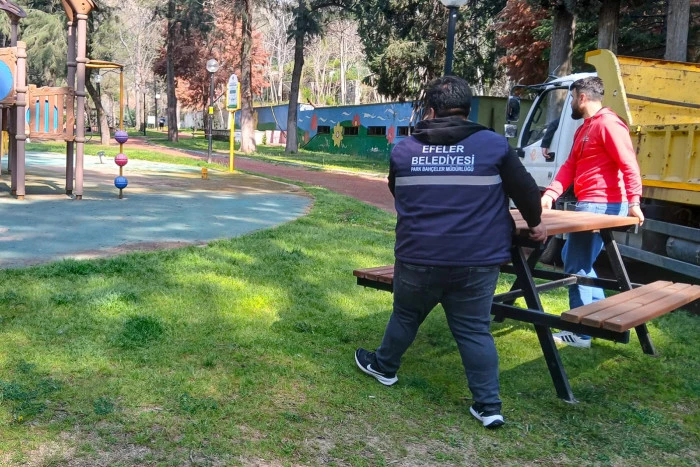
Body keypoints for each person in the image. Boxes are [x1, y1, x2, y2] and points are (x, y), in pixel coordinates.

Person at [354, 76, 546, 429]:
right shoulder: (493, 145)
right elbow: (526, 192)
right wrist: (534, 224)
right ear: (468, 110)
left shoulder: (404, 150)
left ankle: (384, 366)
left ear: (430, 111)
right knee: (474, 330)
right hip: (478, 258)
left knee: (406, 314)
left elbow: (399, 192)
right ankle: (488, 406)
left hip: (418, 255)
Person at [541, 76, 644, 349]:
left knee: (576, 265)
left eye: (572, 98)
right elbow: (570, 166)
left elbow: (629, 164)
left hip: (601, 204)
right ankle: (600, 319)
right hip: (590, 202)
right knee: (575, 259)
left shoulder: (608, 124)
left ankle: (581, 332)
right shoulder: (585, 128)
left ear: (583, 97)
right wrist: (550, 194)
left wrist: (634, 201)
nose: (571, 104)